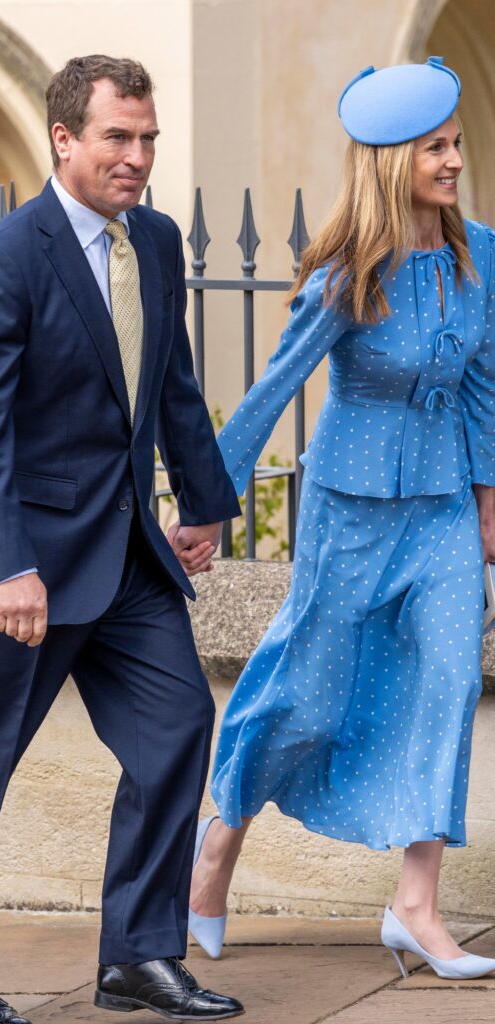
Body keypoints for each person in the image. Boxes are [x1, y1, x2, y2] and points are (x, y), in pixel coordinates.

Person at [188, 57, 495, 979]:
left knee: (449, 685)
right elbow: (273, 385)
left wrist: (488, 508)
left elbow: (485, 389)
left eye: (454, 143)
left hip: (442, 512)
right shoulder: (348, 271)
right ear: (394, 159)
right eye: (436, 147)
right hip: (351, 514)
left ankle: (415, 906)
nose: (453, 159)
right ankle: (217, 846)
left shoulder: (480, 254)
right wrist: (208, 503)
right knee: (308, 689)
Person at [0, 55, 244, 1024]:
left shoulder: (161, 241)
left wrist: (207, 501)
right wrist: (4, 563)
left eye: (147, 140)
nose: (137, 158)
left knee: (176, 730)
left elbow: (169, 381)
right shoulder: (10, 254)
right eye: (117, 139)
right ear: (64, 138)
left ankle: (136, 955)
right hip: (27, 573)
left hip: (130, 556)